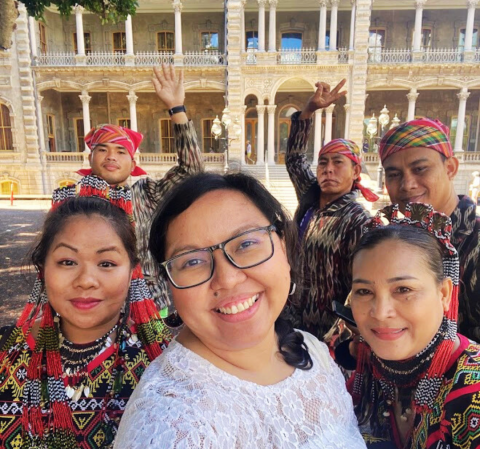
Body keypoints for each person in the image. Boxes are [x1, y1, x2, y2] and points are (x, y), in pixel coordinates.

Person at [114, 172, 367, 449]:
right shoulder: (171, 424)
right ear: (169, 285)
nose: (228, 279)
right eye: (192, 261)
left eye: (246, 244)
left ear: (283, 245)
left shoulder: (312, 351)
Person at [0, 196, 171, 449]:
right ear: (43, 267)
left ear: (132, 271)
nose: (86, 280)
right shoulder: (6, 353)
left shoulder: (162, 367)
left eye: (106, 263)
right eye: (67, 262)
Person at [73, 64, 204, 313]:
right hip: (97, 306)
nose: (111, 156)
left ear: (133, 163)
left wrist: (177, 109)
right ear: (90, 159)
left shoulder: (146, 194)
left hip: (152, 304)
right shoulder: (74, 204)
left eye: (121, 151)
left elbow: (192, 171)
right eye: (102, 149)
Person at [349, 203, 480, 449]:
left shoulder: (473, 389)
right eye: (364, 291)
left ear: (443, 293)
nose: (380, 313)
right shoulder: (369, 370)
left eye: (403, 289)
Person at [285, 80, 378, 340]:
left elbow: (359, 285)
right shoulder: (311, 196)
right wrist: (308, 111)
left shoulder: (357, 220)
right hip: (292, 319)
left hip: (327, 332)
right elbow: (294, 159)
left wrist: (340, 334)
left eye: (338, 163)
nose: (328, 169)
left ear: (356, 171)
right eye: (323, 163)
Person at [379, 118, 480, 341]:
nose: (407, 184)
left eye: (420, 169)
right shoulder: (392, 241)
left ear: (450, 168)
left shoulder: (474, 243)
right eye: (394, 174)